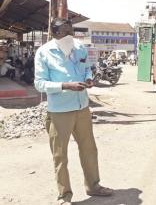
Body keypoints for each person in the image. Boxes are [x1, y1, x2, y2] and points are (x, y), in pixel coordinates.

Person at [34, 18, 113, 205]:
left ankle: (93, 186)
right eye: (65, 32)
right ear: (55, 33)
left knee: (89, 150)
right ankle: (64, 196)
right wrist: (65, 85)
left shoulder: (79, 47)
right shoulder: (44, 52)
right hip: (60, 111)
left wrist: (89, 79)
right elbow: (39, 84)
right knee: (60, 155)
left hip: (82, 108)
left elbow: (86, 69)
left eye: (71, 31)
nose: (70, 35)